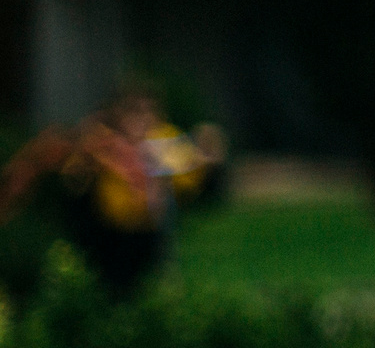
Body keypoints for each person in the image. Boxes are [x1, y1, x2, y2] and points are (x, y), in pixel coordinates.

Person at [0, 85, 225, 296]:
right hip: (109, 235)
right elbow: (67, 171)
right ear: (120, 116)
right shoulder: (102, 142)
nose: (142, 122)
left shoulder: (162, 142)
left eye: (148, 113)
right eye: (135, 114)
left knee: (151, 277)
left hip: (146, 234)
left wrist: (203, 157)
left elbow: (192, 168)